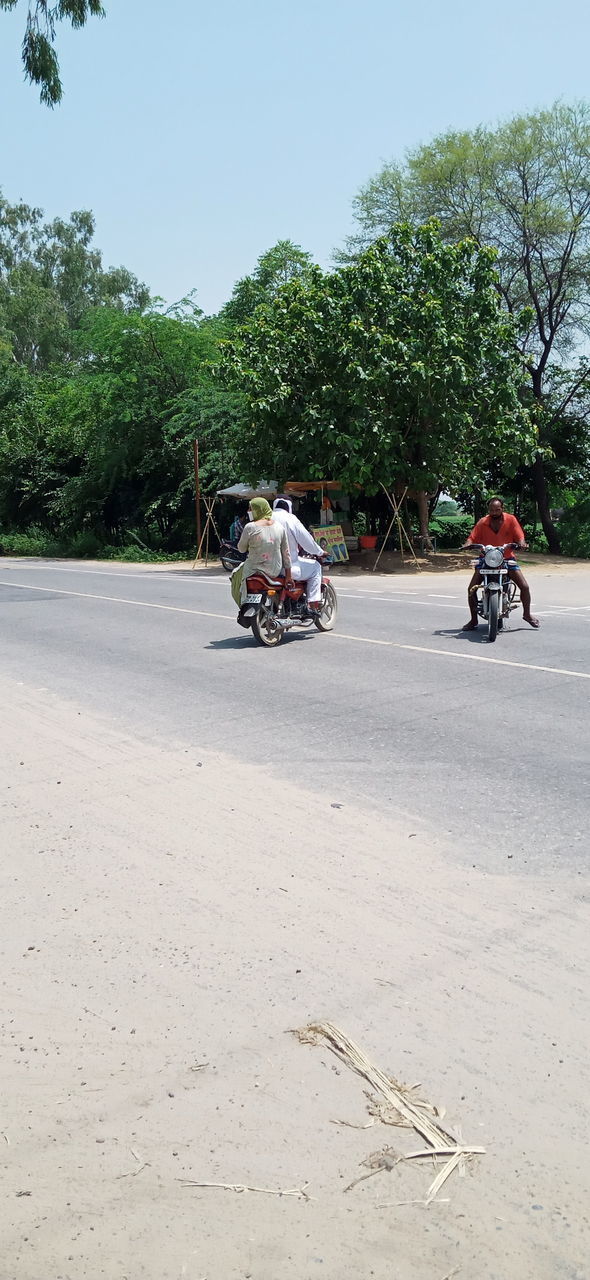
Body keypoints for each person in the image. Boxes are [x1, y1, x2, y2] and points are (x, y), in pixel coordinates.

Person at [461, 498, 539, 630]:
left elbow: (520, 536)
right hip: (486, 558)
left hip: (506, 558)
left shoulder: (511, 519)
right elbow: (472, 537)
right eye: (491, 510)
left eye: (497, 509)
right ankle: (473, 620)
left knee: (524, 586)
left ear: (502, 508)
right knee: (471, 589)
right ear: (488, 510)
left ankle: (527, 614)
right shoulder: (483, 522)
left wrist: (521, 543)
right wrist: (467, 545)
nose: (494, 512)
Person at [272, 497, 325, 610]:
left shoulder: (265, 518)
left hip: (266, 568)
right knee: (315, 567)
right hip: (289, 567)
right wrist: (320, 552)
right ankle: (313, 604)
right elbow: (307, 541)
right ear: (289, 507)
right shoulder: (291, 519)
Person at [237, 497, 293, 587]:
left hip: (252, 570)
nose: (248, 511)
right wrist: (289, 576)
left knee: (235, 576)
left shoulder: (250, 527)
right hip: (274, 572)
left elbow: (241, 549)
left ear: (258, 509)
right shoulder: (280, 527)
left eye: (251, 509)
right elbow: (286, 554)